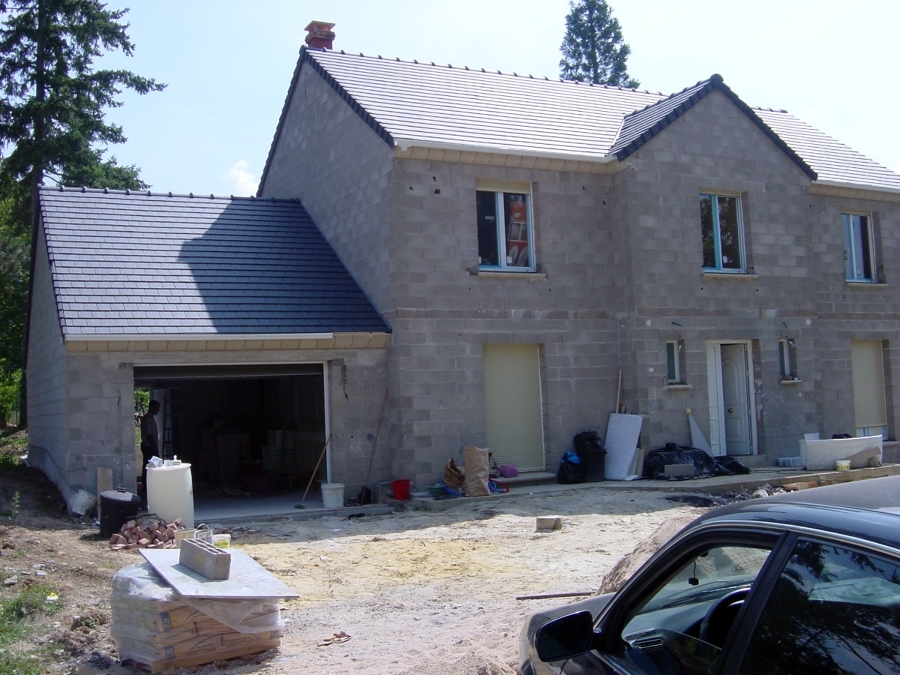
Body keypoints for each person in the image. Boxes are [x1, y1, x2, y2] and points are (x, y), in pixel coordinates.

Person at [139, 400, 161, 497]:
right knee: (150, 467)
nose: (158, 410)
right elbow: (149, 435)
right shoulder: (148, 420)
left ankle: (147, 486)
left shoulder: (149, 418)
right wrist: (154, 448)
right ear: (152, 408)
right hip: (149, 447)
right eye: (156, 408)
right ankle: (147, 487)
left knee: (148, 467)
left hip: (148, 446)